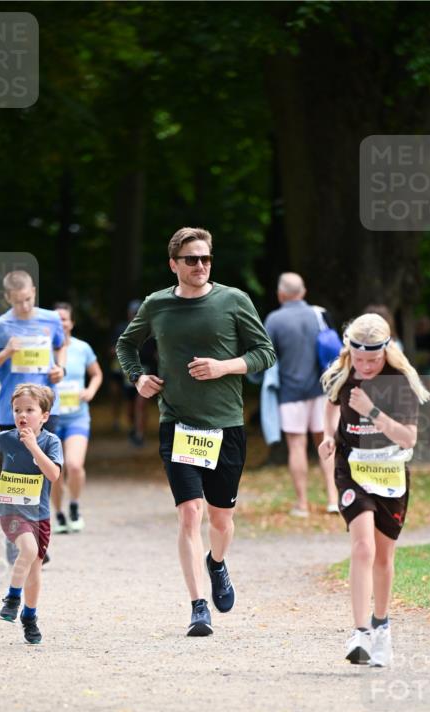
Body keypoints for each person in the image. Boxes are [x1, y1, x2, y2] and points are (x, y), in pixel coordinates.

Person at [116, 226, 275, 637]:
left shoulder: (233, 300)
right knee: (190, 513)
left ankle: (217, 564)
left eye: (205, 258)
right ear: (174, 264)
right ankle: (197, 606)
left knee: (221, 521)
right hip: (178, 423)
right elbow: (126, 345)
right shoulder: (157, 305)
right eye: (191, 259)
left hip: (226, 425)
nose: (200, 265)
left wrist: (225, 366)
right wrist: (138, 377)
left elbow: (265, 353)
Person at [319, 313, 430, 667]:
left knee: (383, 556)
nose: (365, 367)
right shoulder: (344, 373)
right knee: (363, 547)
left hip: (390, 472)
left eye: (373, 360)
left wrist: (373, 410)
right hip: (352, 470)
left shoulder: (401, 382)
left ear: (386, 351)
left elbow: (408, 437)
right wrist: (327, 436)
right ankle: (361, 631)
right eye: (359, 359)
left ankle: (382, 627)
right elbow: (330, 403)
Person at [0, 270, 66, 563]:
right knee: (16, 476)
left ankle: (37, 536)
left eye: (28, 299)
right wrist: (5, 352)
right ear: (8, 298)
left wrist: (59, 368)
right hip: (11, 412)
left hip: (43, 410)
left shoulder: (51, 319)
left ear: (34, 292)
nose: (25, 306)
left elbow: (60, 345)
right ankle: (16, 538)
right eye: (18, 301)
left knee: (44, 474)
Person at [0, 384, 63, 645]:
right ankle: (12, 598)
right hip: (10, 510)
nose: (22, 415)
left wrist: (33, 447)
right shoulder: (6, 438)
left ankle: (30, 617)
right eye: (17, 410)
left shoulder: (50, 442)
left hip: (39, 514)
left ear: (44, 416)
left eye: (30, 410)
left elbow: (54, 475)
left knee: (34, 568)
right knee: (28, 550)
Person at [264, 273, 339, 516]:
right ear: (303, 292)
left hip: (290, 393)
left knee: (297, 446)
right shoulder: (318, 314)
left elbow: (265, 357)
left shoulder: (274, 320)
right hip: (321, 390)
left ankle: (302, 504)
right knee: (326, 443)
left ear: (281, 294)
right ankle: (333, 499)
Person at [50, 302, 103, 533]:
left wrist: (90, 391)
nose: (61, 322)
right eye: (56, 318)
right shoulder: (42, 348)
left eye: (64, 318)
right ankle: (59, 513)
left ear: (71, 322)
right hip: (50, 418)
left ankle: (73, 505)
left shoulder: (82, 348)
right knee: (54, 471)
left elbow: (97, 374)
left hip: (76, 417)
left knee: (74, 465)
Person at [110, 299, 157, 446]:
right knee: (130, 405)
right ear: (129, 313)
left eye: (139, 312)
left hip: (146, 369)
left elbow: (157, 351)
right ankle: (133, 427)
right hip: (128, 372)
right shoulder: (121, 328)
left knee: (141, 403)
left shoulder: (151, 329)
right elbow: (112, 349)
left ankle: (140, 434)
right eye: (134, 312)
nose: (136, 314)